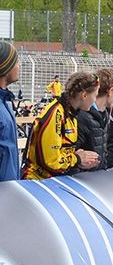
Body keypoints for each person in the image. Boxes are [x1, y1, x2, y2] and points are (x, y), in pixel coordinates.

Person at [22, 72, 101, 179]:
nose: (95, 100)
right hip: (37, 182)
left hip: (53, 180)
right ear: (84, 95)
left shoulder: (71, 113)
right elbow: (51, 161)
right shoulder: (56, 113)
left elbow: (63, 150)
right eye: (95, 96)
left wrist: (80, 156)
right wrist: (77, 158)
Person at [76, 69, 113, 171]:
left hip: (98, 177)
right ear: (110, 91)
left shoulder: (105, 114)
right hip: (82, 180)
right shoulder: (83, 116)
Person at [0, 41, 20, 182]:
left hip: (9, 190)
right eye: (16, 62)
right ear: (5, 67)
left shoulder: (5, 102)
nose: (19, 67)